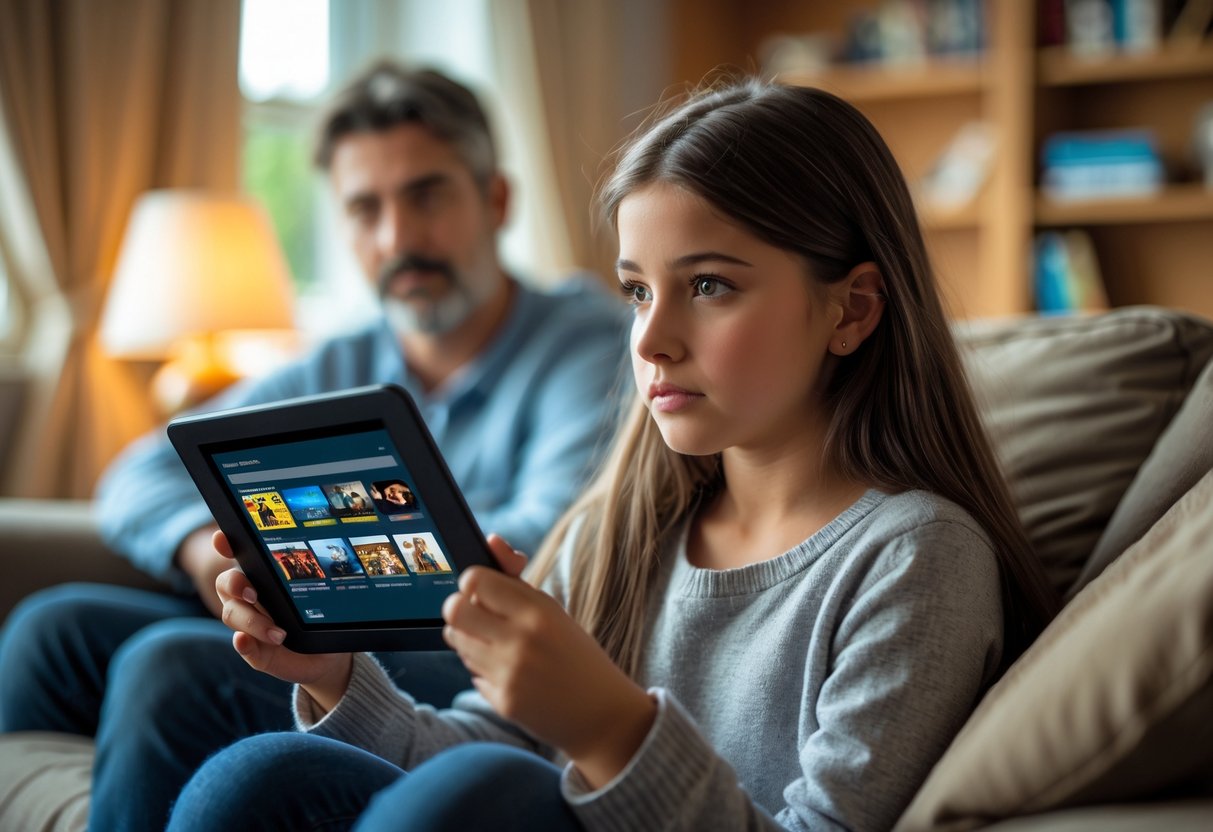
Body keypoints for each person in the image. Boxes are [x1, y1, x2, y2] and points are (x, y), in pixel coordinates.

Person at [166, 77, 1060, 831]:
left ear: (852, 310)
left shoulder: (915, 559)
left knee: (486, 792)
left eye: (709, 286)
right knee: (259, 773)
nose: (653, 339)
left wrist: (612, 730)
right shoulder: (621, 529)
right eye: (638, 290)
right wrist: (335, 679)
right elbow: (480, 746)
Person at [0, 63, 626, 832]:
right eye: (366, 209)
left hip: (466, 644)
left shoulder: (587, 341)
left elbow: (551, 538)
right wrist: (207, 552)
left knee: (168, 664)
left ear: (495, 200)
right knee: (51, 627)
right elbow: (138, 473)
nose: (398, 237)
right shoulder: (341, 358)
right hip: (326, 608)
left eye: (426, 195)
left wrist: (307, 553)